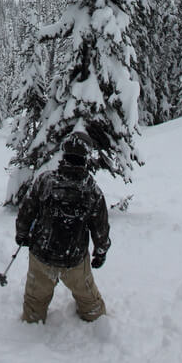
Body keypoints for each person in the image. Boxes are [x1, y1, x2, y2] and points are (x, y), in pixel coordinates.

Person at [15, 132, 110, 323]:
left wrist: (22, 233)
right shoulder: (92, 190)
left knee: (34, 301)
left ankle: (30, 327)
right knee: (89, 301)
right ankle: (96, 321)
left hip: (42, 255)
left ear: (64, 154)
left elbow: (27, 210)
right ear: (86, 157)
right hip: (74, 260)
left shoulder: (45, 181)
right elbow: (100, 226)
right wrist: (100, 251)